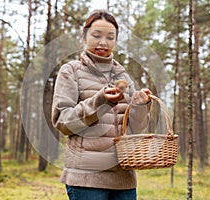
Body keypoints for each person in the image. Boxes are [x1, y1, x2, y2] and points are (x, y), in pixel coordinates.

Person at [52, 10, 152, 200]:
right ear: (84, 36)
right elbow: (62, 122)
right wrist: (100, 101)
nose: (103, 43)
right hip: (86, 180)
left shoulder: (123, 76)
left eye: (110, 37)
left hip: (124, 179)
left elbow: (135, 130)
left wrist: (140, 107)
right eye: (96, 35)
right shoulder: (71, 71)